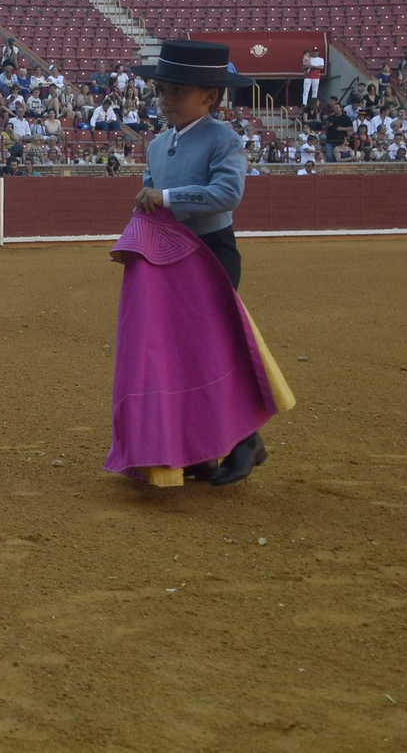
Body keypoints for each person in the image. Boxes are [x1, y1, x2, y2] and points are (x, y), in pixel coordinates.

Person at [131, 40, 261, 485]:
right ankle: (198, 449)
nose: (166, 100)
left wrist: (164, 197)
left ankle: (246, 439)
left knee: (213, 348)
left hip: (212, 253)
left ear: (210, 96)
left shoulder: (224, 138)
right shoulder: (156, 145)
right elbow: (148, 203)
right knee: (182, 352)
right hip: (171, 257)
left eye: (177, 92)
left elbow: (229, 195)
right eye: (163, 91)